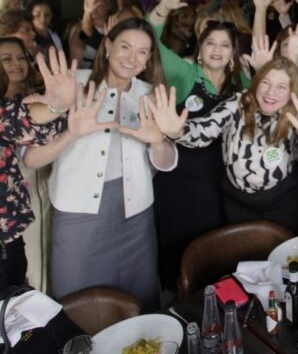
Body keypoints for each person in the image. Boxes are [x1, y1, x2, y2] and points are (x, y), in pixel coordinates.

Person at [23, 18, 183, 309]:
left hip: (136, 215)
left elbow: (167, 164)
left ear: (149, 59)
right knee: (79, 300)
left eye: (142, 52)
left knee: (139, 299)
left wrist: (160, 140)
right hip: (77, 215)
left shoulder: (149, 94)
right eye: (124, 46)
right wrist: (71, 133)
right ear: (107, 46)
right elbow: (32, 158)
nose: (131, 58)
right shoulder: (73, 86)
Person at [170, 56, 298, 234]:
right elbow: (205, 129)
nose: (271, 92)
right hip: (236, 203)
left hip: (283, 203)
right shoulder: (239, 102)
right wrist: (177, 131)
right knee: (241, 257)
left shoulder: (296, 112)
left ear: (292, 91)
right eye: (266, 83)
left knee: (284, 257)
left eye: (281, 87)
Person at [148, 0, 246, 290]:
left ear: (233, 52)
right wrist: (162, 7)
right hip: (179, 176)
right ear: (200, 49)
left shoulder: (240, 81)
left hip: (219, 178)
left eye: (224, 45)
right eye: (210, 43)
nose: (217, 50)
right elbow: (148, 40)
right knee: (178, 247)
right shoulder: (186, 72)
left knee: (213, 248)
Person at [0, 49, 74, 290]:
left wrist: (57, 106)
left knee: (16, 311)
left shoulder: (6, 111)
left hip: (6, 241)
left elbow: (28, 122)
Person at [0, 37, 51, 291]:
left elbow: (47, 127)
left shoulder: (34, 97)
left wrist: (56, 103)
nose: (16, 64)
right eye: (6, 59)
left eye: (20, 57)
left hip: (25, 206)